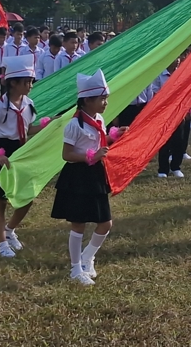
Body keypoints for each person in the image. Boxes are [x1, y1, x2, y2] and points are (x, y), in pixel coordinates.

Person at [51, 69, 121, 286]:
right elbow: (67, 154)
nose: (105, 102)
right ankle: (75, 269)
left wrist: (115, 136)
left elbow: (102, 142)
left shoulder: (99, 119)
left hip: (95, 175)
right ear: (87, 100)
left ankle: (87, 257)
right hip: (78, 175)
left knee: (105, 223)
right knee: (78, 224)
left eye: (106, 98)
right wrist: (90, 156)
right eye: (102, 98)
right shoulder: (75, 124)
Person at [0, 55, 49, 258]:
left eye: (31, 81)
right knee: (1, 199)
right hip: (2, 150)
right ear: (13, 83)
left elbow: (27, 129)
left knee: (27, 196)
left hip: (21, 151)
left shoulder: (29, 104)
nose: (30, 85)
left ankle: (10, 230)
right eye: (26, 82)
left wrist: (48, 124)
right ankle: (2, 243)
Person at [153, 57, 190, 178]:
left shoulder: (182, 73)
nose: (178, 60)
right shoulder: (160, 75)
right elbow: (155, 94)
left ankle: (176, 166)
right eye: (175, 57)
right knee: (164, 141)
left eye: (179, 58)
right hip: (164, 112)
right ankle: (163, 169)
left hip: (178, 111)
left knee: (178, 140)